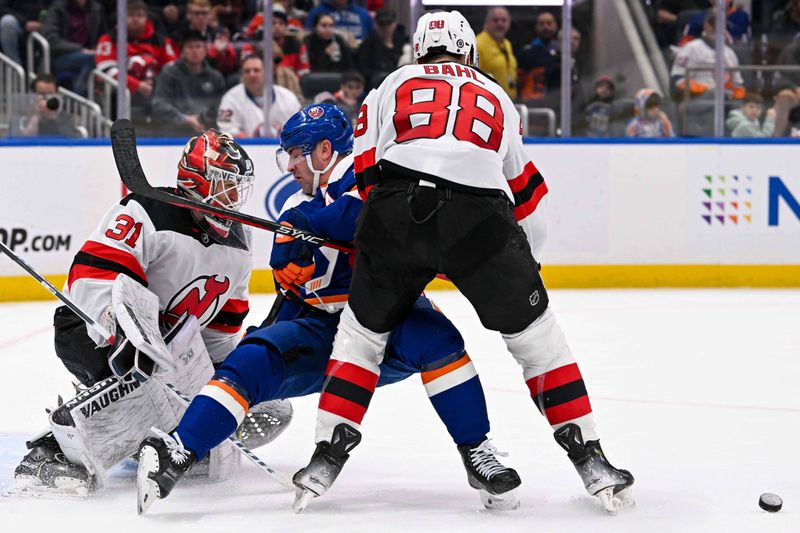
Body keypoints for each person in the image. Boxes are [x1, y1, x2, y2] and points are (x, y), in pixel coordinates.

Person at [292, 11, 635, 514]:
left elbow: (365, 172)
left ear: (418, 50)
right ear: (468, 51)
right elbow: (528, 198)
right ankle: (590, 458)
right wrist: (504, 265)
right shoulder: (498, 96)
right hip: (481, 218)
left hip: (394, 211)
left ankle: (325, 455)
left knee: (362, 337)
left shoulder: (392, 82)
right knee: (539, 341)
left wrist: (403, 246)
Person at [136, 104, 521, 515]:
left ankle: (478, 451)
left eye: (295, 154)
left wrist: (315, 224)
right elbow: (293, 290)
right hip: (325, 330)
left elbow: (363, 215)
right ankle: (178, 450)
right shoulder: (295, 211)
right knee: (250, 360)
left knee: (438, 337)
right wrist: (272, 318)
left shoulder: (372, 175)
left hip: (391, 320)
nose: (290, 166)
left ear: (323, 151)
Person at [9, 129, 291, 498]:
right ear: (195, 179)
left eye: (239, 188)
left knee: (271, 407)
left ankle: (169, 434)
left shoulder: (240, 242)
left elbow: (220, 330)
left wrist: (226, 379)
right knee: (144, 386)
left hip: (169, 349)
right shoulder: (145, 210)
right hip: (91, 327)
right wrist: (121, 332)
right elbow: (93, 276)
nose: (233, 199)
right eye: (225, 185)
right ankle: (55, 451)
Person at [95, 0, 178, 113]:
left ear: (147, 18)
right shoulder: (109, 39)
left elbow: (172, 69)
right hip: (119, 94)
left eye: (140, 15)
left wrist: (155, 84)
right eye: (130, 15)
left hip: (154, 91)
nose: (135, 19)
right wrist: (137, 85)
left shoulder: (161, 41)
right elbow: (107, 71)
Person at [151, 31, 226, 137]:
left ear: (205, 51)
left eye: (198, 46)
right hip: (174, 132)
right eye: (190, 47)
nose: (194, 51)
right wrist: (184, 119)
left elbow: (221, 105)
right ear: (183, 52)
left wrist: (203, 118)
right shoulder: (169, 73)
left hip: (207, 131)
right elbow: (159, 104)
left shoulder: (215, 77)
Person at [216, 53, 302, 137]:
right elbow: (226, 134)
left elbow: (299, 130)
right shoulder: (230, 98)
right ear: (242, 74)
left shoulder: (288, 98)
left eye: (256, 70)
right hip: (246, 150)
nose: (252, 74)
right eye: (247, 71)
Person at [670, 10, 745, 101]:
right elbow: (678, 79)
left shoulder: (729, 53)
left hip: (725, 100)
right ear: (705, 25)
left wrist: (735, 93)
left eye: (720, 23)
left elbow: (737, 83)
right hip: (697, 99)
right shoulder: (691, 48)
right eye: (712, 23)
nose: (716, 27)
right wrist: (705, 90)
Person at [42, 0, 106, 97]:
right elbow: (51, 38)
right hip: (61, 57)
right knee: (93, 59)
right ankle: (81, 99)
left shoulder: (96, 8)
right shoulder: (58, 7)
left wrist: (95, 49)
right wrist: (79, 49)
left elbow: (101, 37)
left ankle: (81, 99)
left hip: (88, 56)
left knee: (98, 60)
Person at [171, 0, 238, 81]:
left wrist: (223, 54)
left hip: (214, 76)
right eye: (196, 13)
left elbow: (229, 65)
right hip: (187, 76)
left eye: (204, 13)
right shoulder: (178, 35)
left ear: (210, 15)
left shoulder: (216, 34)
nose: (201, 17)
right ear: (188, 15)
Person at [10, 73, 81, 138]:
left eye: (50, 94)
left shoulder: (64, 117)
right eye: (42, 94)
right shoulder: (20, 115)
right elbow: (20, 140)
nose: (46, 98)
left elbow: (68, 139)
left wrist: (52, 116)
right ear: (33, 94)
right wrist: (36, 116)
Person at [355, 7, 405, 89]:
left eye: (388, 23)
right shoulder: (367, 45)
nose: (385, 28)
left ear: (395, 23)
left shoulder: (403, 42)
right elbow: (364, 71)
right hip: (377, 87)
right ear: (376, 24)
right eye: (381, 24)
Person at [476, 6, 517, 100]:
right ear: (487, 23)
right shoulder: (478, 43)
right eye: (495, 20)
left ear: (509, 23)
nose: (500, 23)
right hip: (488, 103)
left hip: (509, 102)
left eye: (504, 20)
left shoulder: (507, 44)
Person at [0, 0, 50, 65]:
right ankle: (15, 68)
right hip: (18, 26)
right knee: (7, 22)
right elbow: (2, 8)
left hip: (43, 27)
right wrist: (25, 23)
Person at [305, 0, 373, 42]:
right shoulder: (315, 13)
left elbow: (373, 38)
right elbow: (308, 39)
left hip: (359, 57)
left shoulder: (363, 14)